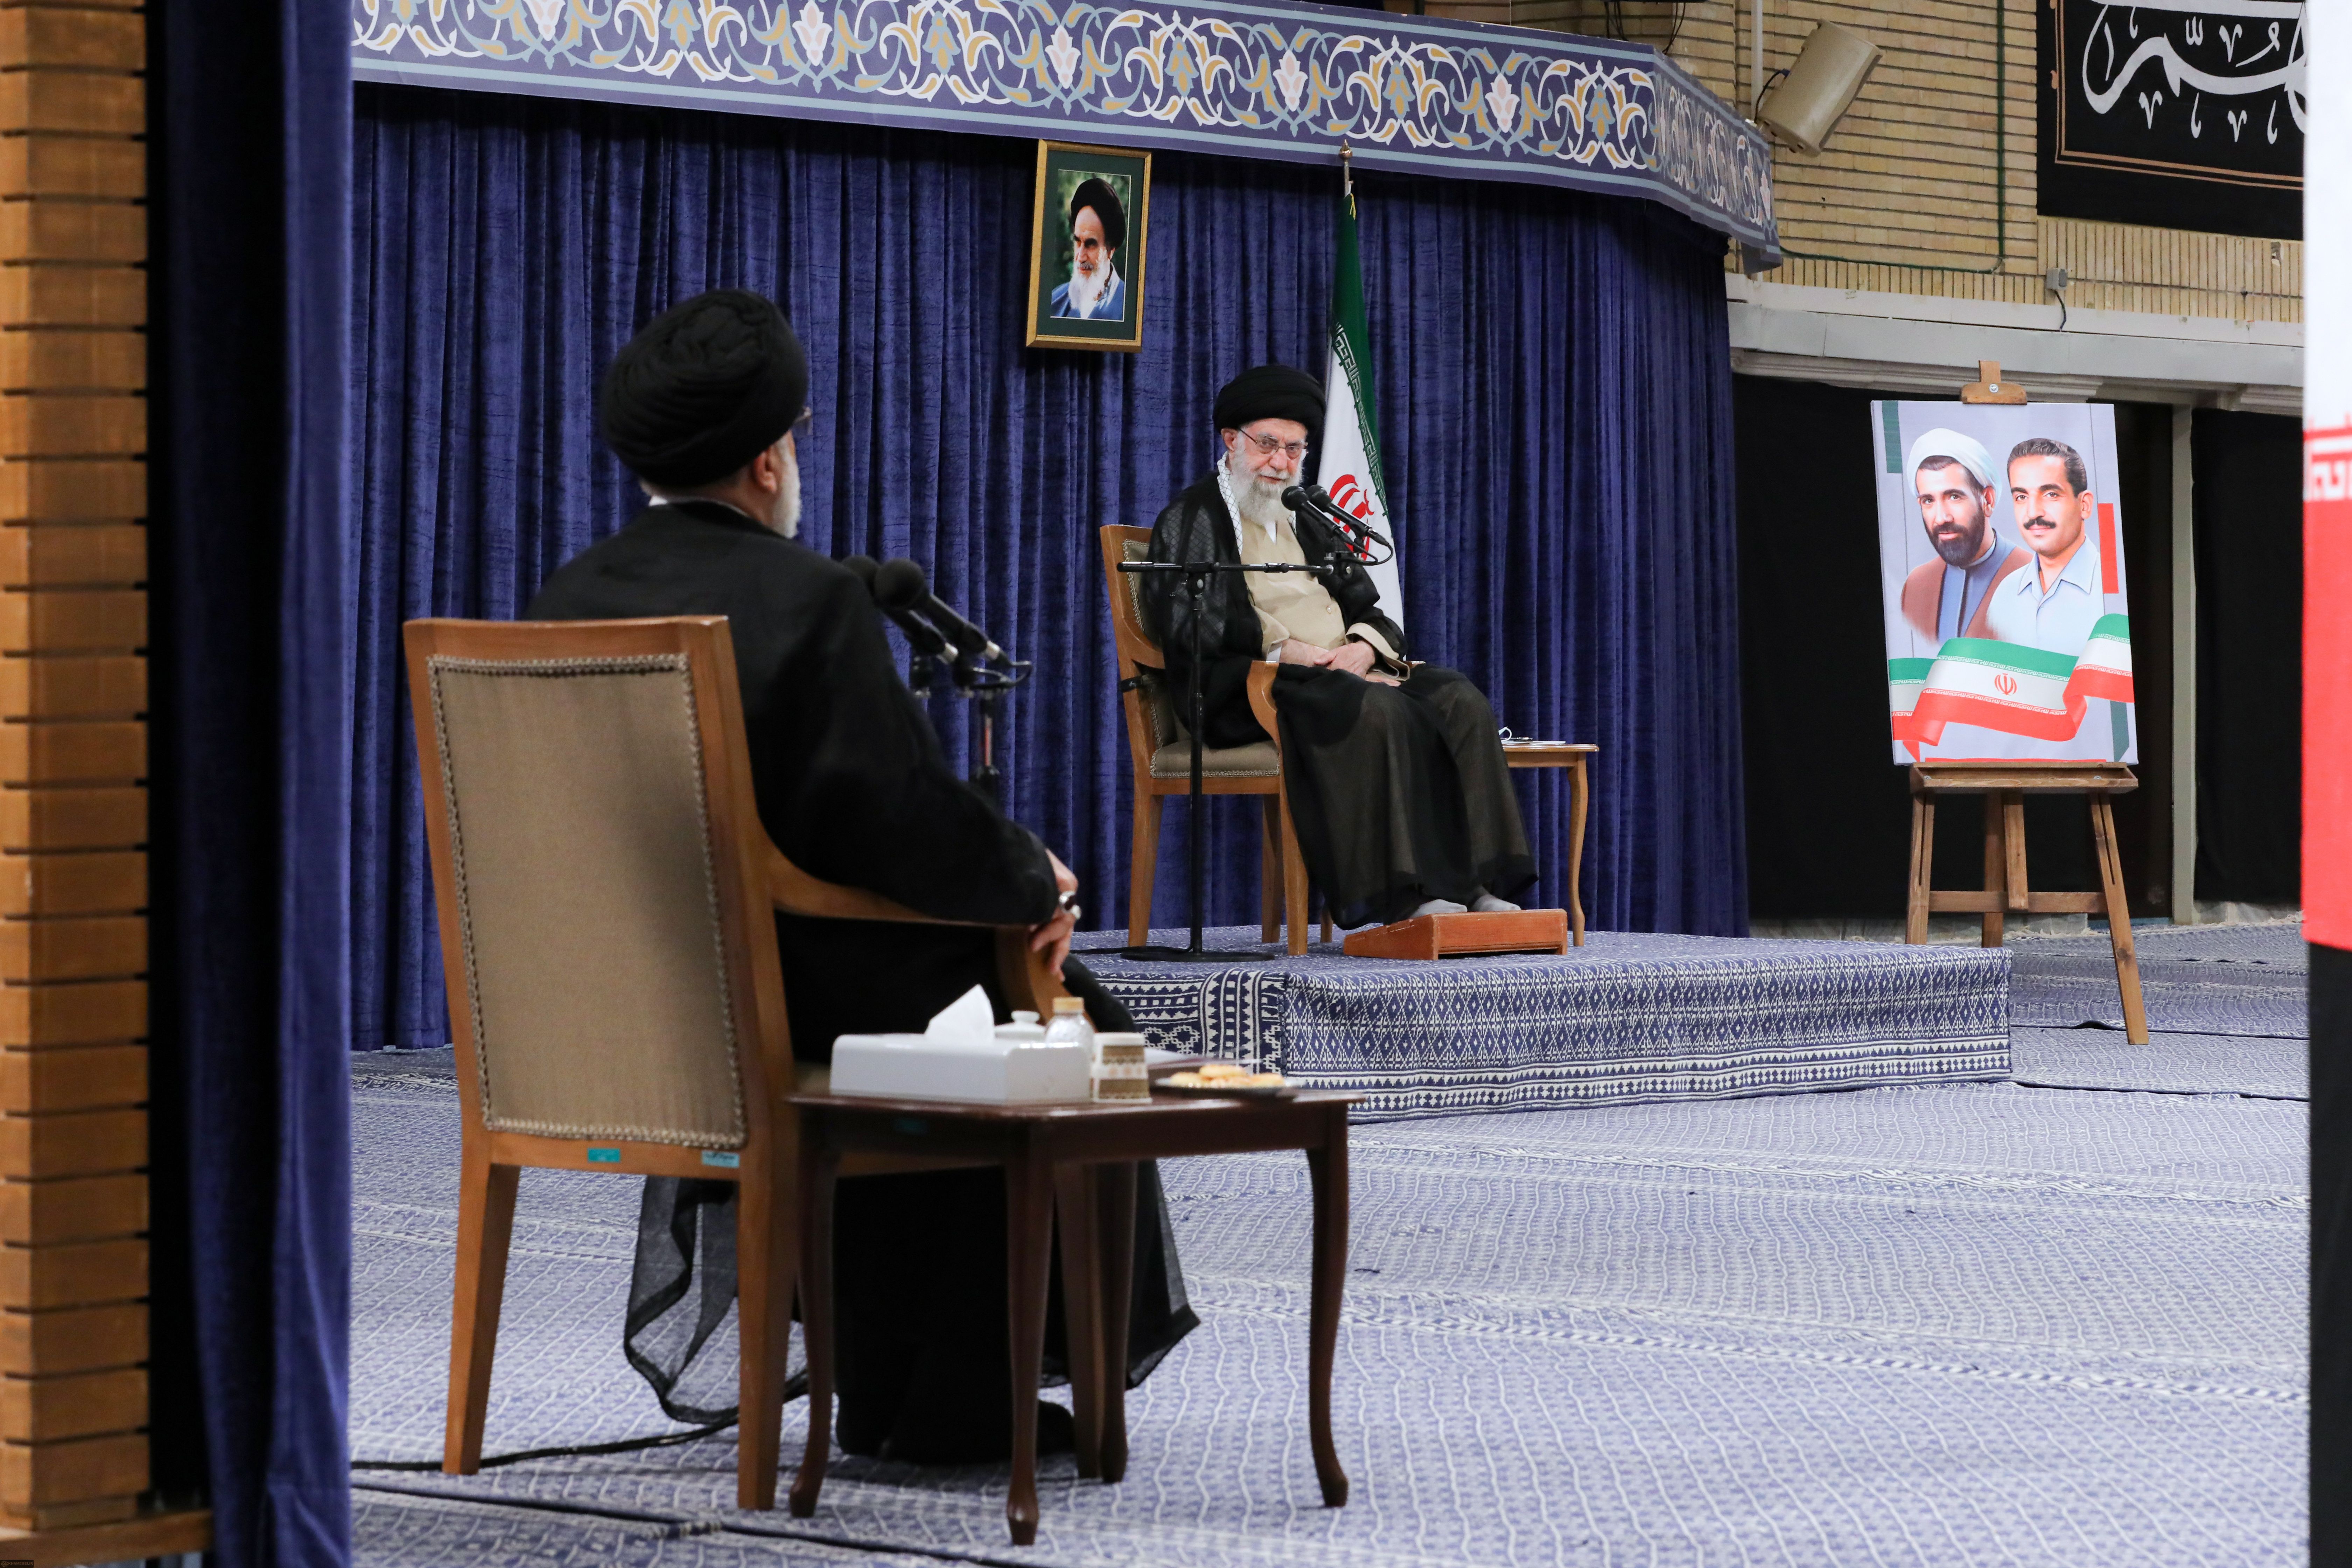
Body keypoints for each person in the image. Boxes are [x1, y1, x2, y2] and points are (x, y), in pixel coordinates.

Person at [528, 288, 1195, 1462]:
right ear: (773, 457)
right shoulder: (809, 599)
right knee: (1063, 1013)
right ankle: (954, 1397)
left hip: (632, 1014)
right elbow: (904, 825)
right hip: (787, 1009)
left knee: (946, 983)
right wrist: (1034, 883)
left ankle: (893, 1384)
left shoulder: (567, 600)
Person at [1142, 363, 1534, 929]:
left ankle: (1474, 885)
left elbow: (1372, 608)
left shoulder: (1306, 516)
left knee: (1456, 696)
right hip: (1250, 689)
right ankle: (1405, 895)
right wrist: (1292, 652)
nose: (1280, 463)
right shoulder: (1193, 516)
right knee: (1381, 707)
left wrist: (1362, 649)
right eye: (1268, 446)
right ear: (1231, 441)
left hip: (1337, 678)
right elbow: (1188, 621)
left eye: (1294, 450)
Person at [1898, 428, 2030, 645]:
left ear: (1987, 500)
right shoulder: (1916, 585)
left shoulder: (2037, 581)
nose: (1941, 518)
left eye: (1954, 496)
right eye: (1928, 501)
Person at [1986, 435, 2104, 657]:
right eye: (2021, 497)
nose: (2033, 513)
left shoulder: (2111, 592)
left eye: (2051, 494)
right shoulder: (2005, 593)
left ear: (2084, 505)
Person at [1048, 177, 1126, 321]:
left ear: (1111, 250)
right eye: (1078, 242)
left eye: (1091, 244)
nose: (1080, 257)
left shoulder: (1129, 309)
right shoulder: (1054, 302)